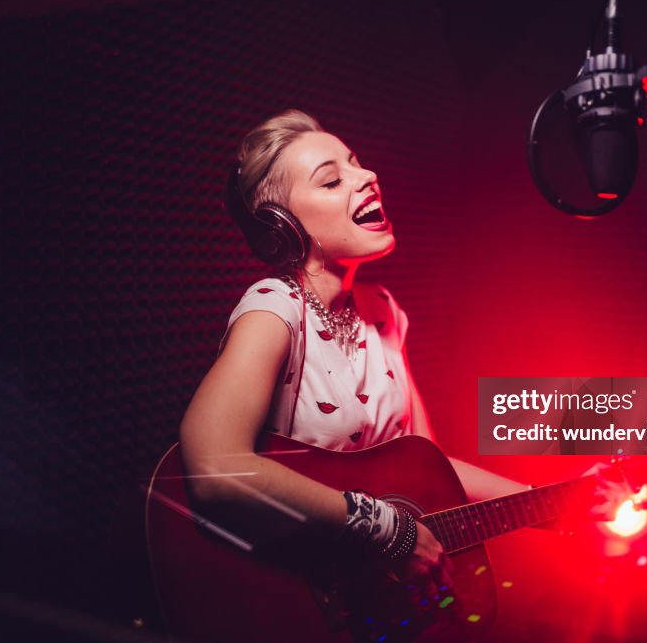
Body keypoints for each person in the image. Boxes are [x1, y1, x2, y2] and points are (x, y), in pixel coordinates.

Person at [178, 109, 592, 604]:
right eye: (332, 180)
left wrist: (553, 503)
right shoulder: (273, 310)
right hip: (289, 601)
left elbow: (426, 471)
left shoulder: (383, 312)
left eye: (356, 163)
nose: (367, 176)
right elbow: (215, 468)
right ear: (283, 227)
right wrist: (384, 529)